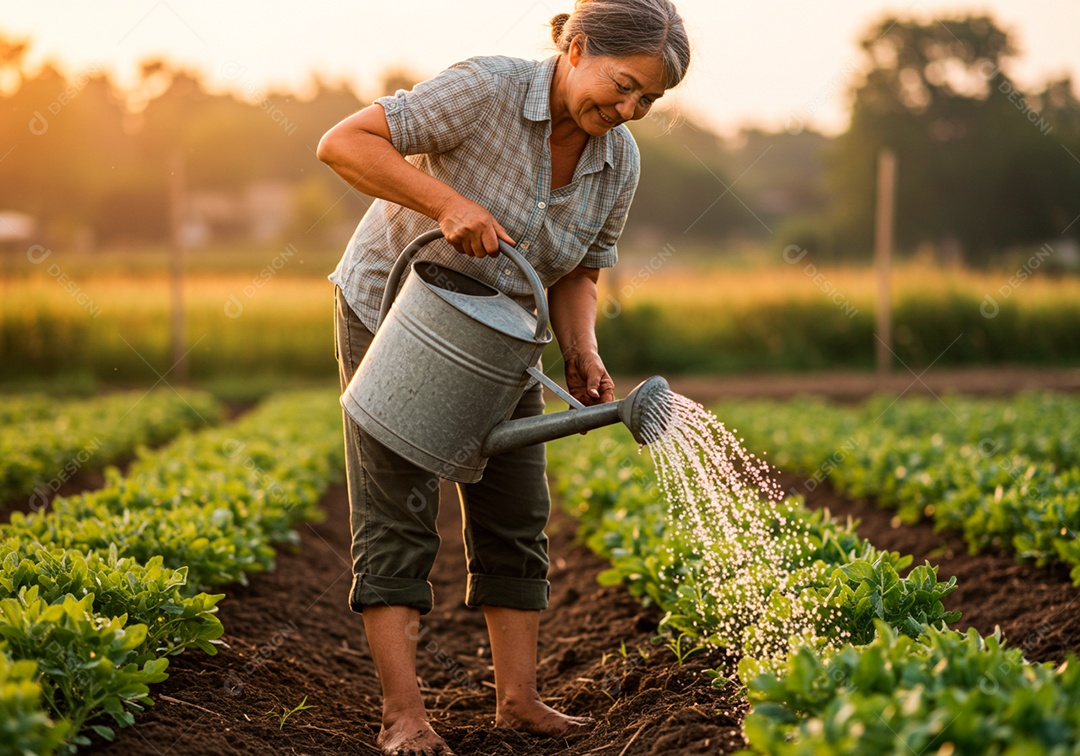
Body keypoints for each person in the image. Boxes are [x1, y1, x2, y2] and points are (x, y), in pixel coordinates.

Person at [317, 1, 690, 753]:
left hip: (503, 335)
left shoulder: (620, 161)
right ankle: (403, 717)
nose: (630, 110)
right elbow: (342, 144)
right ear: (576, 48)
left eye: (647, 101)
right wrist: (448, 202)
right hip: (395, 313)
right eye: (622, 87)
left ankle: (518, 701)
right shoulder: (484, 90)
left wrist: (580, 347)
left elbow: (580, 269)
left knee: (516, 511)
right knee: (398, 511)